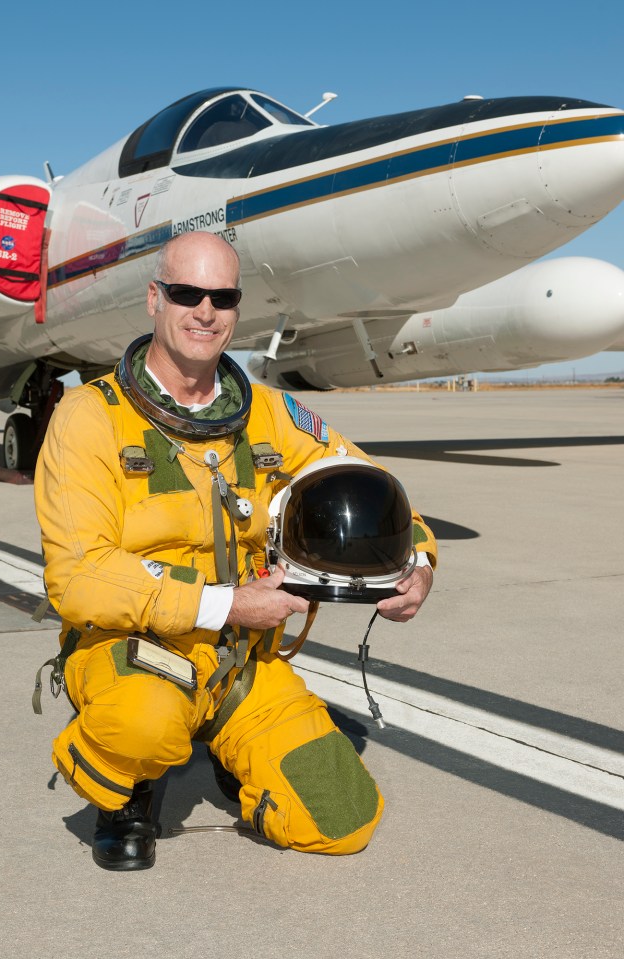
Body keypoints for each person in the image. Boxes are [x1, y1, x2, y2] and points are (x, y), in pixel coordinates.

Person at [34, 231, 436, 871]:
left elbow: (370, 485)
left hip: (239, 664)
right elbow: (79, 577)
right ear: (154, 298)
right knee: (144, 721)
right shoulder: (90, 416)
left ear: (237, 308)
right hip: (133, 647)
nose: (205, 311)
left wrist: (416, 561)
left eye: (222, 297)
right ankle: (126, 790)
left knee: (341, 818)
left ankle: (238, 757)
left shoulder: (270, 414)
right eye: (187, 292)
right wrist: (226, 604)